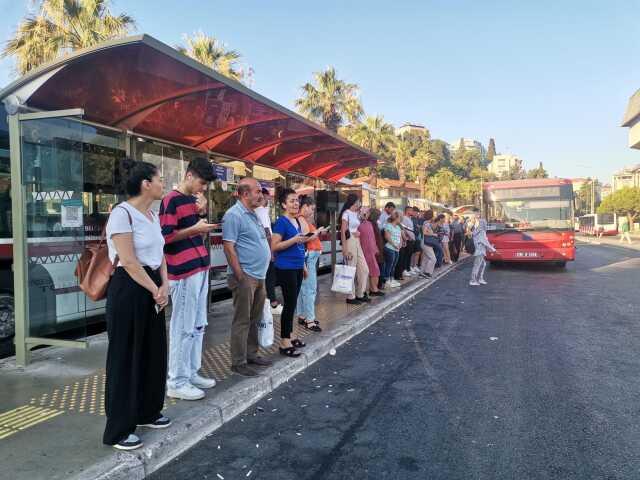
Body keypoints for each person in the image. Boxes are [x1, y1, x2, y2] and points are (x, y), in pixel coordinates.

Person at [103, 160, 170, 451]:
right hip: (130, 287)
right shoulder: (122, 214)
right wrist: (155, 289)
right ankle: (118, 430)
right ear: (146, 184)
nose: (162, 184)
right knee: (125, 356)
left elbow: (160, 254)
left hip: (152, 284)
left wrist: (164, 285)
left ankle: (147, 411)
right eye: (159, 179)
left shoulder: (152, 216)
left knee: (153, 351)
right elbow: (128, 261)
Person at [160, 158, 218, 401]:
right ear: (189, 175)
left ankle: (191, 371)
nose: (202, 188)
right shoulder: (170, 200)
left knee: (197, 324)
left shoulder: (192, 201)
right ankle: (176, 379)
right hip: (182, 272)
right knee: (182, 325)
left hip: (199, 268)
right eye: (201, 183)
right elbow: (166, 236)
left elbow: (193, 229)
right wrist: (195, 229)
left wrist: (201, 212)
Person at [223, 178, 273, 377]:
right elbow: (228, 247)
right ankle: (238, 362)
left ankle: (251, 354)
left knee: (255, 317)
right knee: (242, 319)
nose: (260, 195)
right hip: (245, 276)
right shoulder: (233, 215)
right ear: (245, 194)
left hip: (259, 275)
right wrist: (240, 276)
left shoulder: (253, 214)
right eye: (257, 191)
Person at [272, 188, 315, 357]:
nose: (295, 203)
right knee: (289, 305)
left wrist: (303, 266)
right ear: (283, 204)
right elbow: (274, 246)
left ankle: (291, 336)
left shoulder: (296, 221)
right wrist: (294, 239)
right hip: (286, 268)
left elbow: (300, 246)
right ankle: (284, 342)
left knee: (293, 304)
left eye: (297, 200)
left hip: (297, 267)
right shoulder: (281, 222)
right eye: (291, 201)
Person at [295, 195, 324, 332]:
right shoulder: (301, 219)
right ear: (305, 206)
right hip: (309, 257)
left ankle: (302, 315)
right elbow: (306, 237)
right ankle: (310, 320)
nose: (312, 212)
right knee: (310, 289)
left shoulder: (301, 219)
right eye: (311, 209)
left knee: (303, 288)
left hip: (309, 257)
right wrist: (317, 232)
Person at [255, 188, 283, 316]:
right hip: (266, 249)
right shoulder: (260, 210)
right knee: (269, 278)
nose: (268, 200)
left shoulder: (261, 210)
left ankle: (266, 304)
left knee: (266, 278)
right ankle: (272, 304)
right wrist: (271, 252)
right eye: (267, 197)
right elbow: (267, 232)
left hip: (263, 249)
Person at [339, 194, 370, 304]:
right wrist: (345, 249)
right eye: (358, 201)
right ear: (354, 202)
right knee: (350, 268)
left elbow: (363, 220)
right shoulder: (346, 213)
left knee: (364, 268)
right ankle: (350, 296)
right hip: (349, 241)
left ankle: (360, 293)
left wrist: (364, 213)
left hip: (357, 241)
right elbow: (343, 231)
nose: (360, 204)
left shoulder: (356, 214)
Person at [357, 207, 385, 297]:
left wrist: (375, 248)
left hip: (371, 250)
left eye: (367, 213)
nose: (365, 214)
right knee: (370, 271)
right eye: (364, 213)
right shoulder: (361, 224)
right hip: (366, 250)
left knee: (373, 270)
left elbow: (372, 238)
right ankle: (371, 290)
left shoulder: (369, 224)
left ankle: (372, 289)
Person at [470, 218, 496, 286]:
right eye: (485, 223)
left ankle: (480, 279)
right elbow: (485, 242)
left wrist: (491, 248)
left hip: (479, 250)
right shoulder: (481, 231)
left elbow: (482, 241)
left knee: (482, 265)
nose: (486, 225)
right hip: (480, 251)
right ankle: (473, 280)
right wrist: (493, 249)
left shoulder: (477, 230)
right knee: (477, 265)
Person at [381, 211, 402, 288]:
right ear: (396, 218)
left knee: (394, 265)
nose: (401, 219)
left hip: (396, 249)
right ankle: (386, 280)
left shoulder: (398, 227)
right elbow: (387, 236)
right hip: (390, 248)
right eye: (400, 217)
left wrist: (400, 244)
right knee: (389, 265)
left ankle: (391, 279)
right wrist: (394, 245)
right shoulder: (388, 225)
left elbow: (400, 237)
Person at [395, 206, 416, 279]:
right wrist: (408, 237)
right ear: (407, 211)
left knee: (409, 254)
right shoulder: (404, 218)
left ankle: (408, 268)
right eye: (411, 211)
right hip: (407, 239)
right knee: (405, 256)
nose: (412, 212)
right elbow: (404, 229)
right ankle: (404, 269)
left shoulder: (409, 218)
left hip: (410, 239)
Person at [368, 208, 386, 291]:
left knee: (380, 266)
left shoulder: (374, 223)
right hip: (376, 249)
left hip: (378, 248)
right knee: (378, 267)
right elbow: (373, 238)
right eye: (378, 215)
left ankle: (378, 285)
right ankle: (377, 286)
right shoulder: (372, 224)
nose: (379, 217)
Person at [420, 214, 438, 278]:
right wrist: (433, 234)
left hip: (425, 242)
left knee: (426, 258)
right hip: (426, 243)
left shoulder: (427, 223)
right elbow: (424, 233)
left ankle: (422, 273)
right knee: (433, 259)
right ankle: (427, 272)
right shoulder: (427, 224)